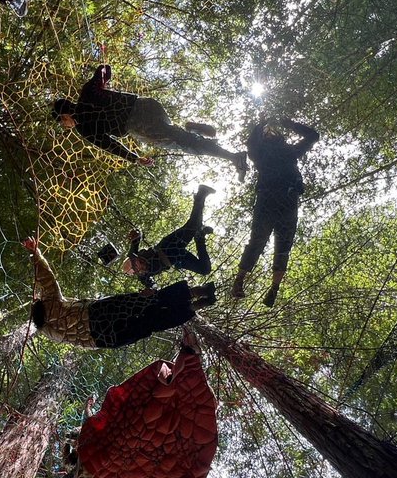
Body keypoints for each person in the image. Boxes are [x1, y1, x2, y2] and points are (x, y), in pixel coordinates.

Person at [53, 64, 247, 178]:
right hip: (147, 105)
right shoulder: (86, 92)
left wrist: (134, 158)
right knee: (178, 135)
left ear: (64, 116)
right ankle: (192, 130)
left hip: (139, 126)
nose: (66, 127)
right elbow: (105, 69)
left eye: (63, 123)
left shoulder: (84, 128)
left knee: (183, 143)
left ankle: (233, 157)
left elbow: (109, 145)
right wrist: (103, 77)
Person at [23, 238, 216, 348]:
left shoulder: (47, 331)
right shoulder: (49, 304)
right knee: (151, 300)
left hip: (104, 339)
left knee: (153, 323)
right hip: (98, 314)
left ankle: (197, 304)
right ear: (38, 304)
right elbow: (47, 281)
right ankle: (200, 291)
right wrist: (35, 253)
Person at [231, 116, 319, 307]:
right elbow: (312, 136)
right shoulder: (262, 153)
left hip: (279, 201)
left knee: (276, 245)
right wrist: (264, 123)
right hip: (276, 200)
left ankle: (270, 288)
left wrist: (287, 124)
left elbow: (313, 136)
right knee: (267, 243)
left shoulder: (286, 152)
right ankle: (242, 281)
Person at [122, 184, 215, 288]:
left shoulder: (134, 254)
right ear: (136, 273)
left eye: (135, 263)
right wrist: (152, 289)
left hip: (169, 245)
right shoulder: (143, 276)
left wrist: (135, 233)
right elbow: (153, 287)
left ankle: (201, 194)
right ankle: (199, 237)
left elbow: (137, 236)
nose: (138, 265)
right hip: (177, 258)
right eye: (135, 269)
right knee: (205, 269)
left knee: (193, 225)